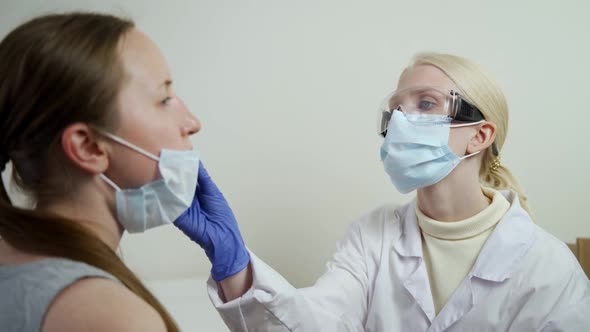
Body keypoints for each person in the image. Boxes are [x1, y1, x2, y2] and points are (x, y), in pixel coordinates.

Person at [175, 53, 590, 331]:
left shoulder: (547, 268)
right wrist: (234, 265)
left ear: (479, 135)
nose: (402, 119)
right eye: (397, 108)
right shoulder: (373, 236)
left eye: (426, 104)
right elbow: (316, 323)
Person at [0, 12, 240, 331]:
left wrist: (237, 272)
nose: (192, 122)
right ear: (89, 147)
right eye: (164, 98)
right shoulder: (111, 317)